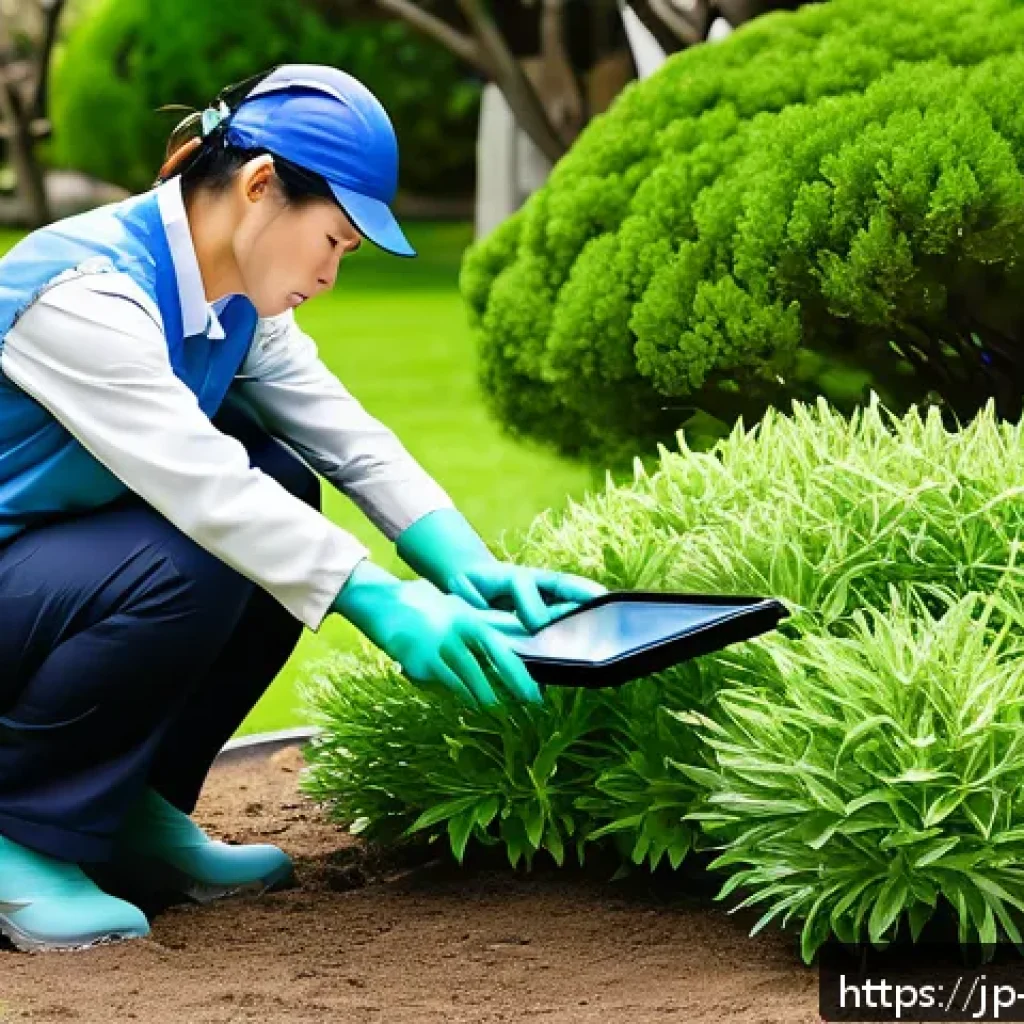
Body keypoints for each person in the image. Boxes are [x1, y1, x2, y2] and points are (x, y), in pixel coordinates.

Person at [0, 63, 606, 953]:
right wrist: (382, 603)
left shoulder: (231, 302)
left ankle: (131, 813)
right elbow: (203, 484)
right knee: (211, 543)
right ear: (257, 189)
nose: (331, 272)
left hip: (38, 585)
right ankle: (18, 831)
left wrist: (464, 563)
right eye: (334, 240)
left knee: (285, 484)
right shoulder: (86, 296)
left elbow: (342, 433)